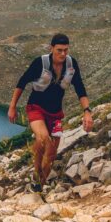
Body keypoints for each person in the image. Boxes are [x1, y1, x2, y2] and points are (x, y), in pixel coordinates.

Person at [8, 33, 92, 192]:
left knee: (52, 154)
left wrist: (87, 111)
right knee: (42, 138)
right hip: (36, 108)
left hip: (55, 114)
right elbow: (22, 82)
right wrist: (12, 107)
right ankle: (35, 172)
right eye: (59, 50)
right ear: (51, 48)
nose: (63, 54)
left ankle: (39, 185)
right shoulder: (40, 63)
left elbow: (80, 87)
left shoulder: (71, 64)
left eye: (66, 50)